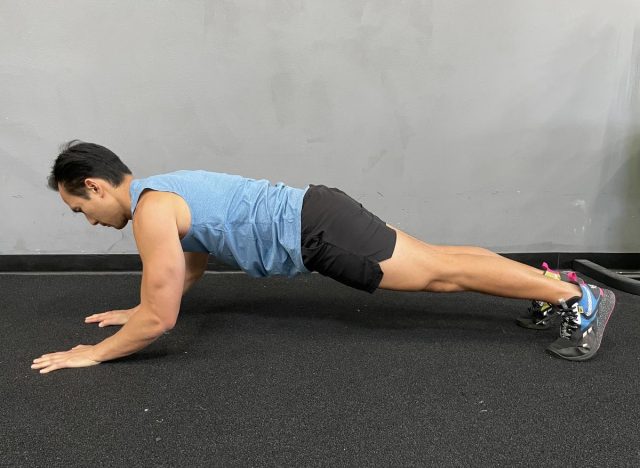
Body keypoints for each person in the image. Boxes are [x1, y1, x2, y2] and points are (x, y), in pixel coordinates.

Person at [32, 141, 616, 374]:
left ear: (95, 185)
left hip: (317, 232)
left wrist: (96, 354)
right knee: (441, 261)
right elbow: (193, 261)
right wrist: (135, 309)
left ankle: (578, 297)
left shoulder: (152, 212)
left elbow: (161, 317)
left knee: (441, 275)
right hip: (319, 210)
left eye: (80, 209)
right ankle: (552, 284)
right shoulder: (162, 190)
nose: (88, 221)